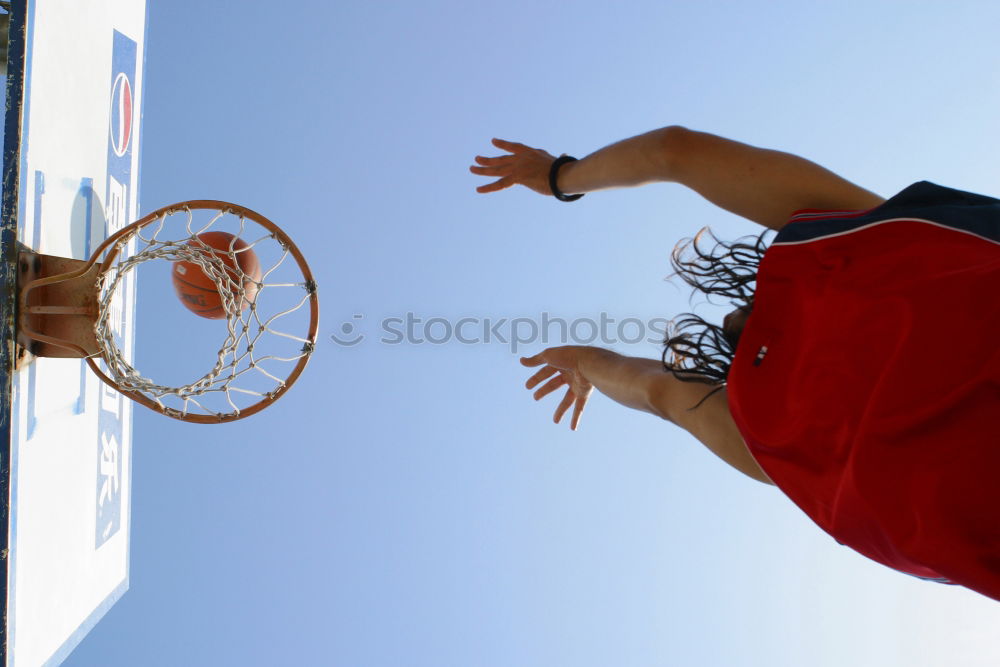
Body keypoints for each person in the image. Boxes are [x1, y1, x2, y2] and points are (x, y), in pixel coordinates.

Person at [469, 126, 1000, 601]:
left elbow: (660, 393)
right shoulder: (873, 242)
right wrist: (561, 176)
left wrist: (590, 363)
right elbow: (674, 151)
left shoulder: (764, 436)